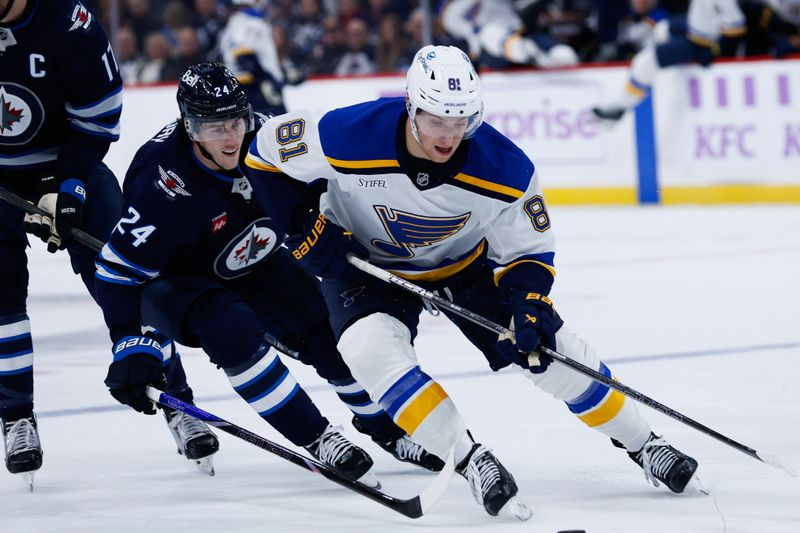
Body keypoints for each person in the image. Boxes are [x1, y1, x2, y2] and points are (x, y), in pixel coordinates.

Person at [244, 44, 701, 518]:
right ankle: (469, 459)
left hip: (465, 268)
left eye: (460, 120)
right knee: (368, 352)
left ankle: (645, 444)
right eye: (437, 119)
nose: (448, 135)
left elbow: (527, 249)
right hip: (363, 267)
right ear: (411, 107)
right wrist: (300, 227)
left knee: (550, 348)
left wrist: (528, 301)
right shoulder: (348, 134)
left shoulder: (505, 168)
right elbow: (262, 155)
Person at [93, 62, 443, 489]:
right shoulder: (164, 182)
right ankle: (318, 437)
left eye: (236, 122)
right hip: (179, 281)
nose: (231, 138)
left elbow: (322, 190)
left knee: (325, 333)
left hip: (253, 259)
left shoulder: (268, 138)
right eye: (213, 128)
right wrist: (129, 340)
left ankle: (388, 430)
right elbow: (116, 272)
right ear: (189, 127)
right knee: (231, 327)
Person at [0, 0, 221, 487]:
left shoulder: (66, 19)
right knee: (2, 299)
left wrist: (72, 187)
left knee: (130, 282)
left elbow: (100, 113)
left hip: (67, 165)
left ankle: (178, 402)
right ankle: (16, 417)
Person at [592, 0, 746, 121]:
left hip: (700, 44)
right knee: (661, 29)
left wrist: (714, 51)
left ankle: (620, 106)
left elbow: (736, 27)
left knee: (645, 61)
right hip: (692, 30)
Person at [439, 0, 579, 68]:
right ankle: (528, 52)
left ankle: (555, 55)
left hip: (520, 31)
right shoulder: (454, 12)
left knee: (563, 53)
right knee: (489, 34)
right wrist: (475, 47)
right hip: (493, 49)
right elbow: (459, 26)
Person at [219, 0, 301, 115]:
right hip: (254, 86)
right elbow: (243, 55)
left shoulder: (242, 22)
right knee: (276, 123)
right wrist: (264, 79)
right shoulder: (245, 22)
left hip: (255, 84)